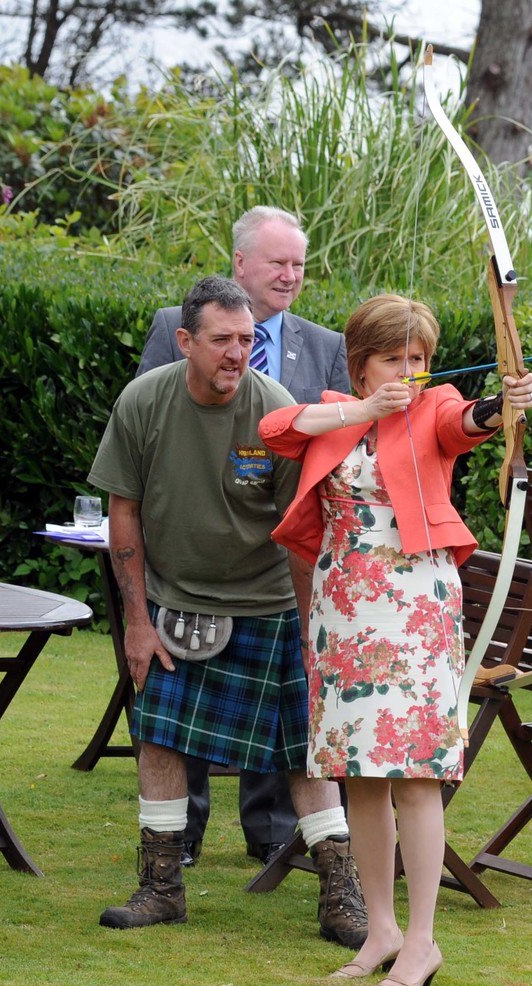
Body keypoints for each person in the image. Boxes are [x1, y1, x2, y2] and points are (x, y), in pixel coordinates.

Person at [260, 293, 532, 986]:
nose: (410, 373)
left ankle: (422, 940)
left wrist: (507, 401)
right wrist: (363, 411)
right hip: (344, 609)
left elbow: (466, 419)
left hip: (414, 610)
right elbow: (273, 427)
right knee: (361, 772)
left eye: (418, 359)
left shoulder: (433, 405)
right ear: (361, 367)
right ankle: (380, 927)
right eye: (395, 359)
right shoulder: (336, 414)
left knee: (415, 775)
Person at [90, 276, 368, 947]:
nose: (237, 352)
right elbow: (121, 512)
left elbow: (304, 530)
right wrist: (135, 618)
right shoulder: (145, 402)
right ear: (185, 341)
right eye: (222, 339)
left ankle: (340, 893)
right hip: (176, 599)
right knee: (158, 735)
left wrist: (312, 633)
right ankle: (161, 886)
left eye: (247, 339)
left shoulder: (273, 409)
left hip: (267, 601)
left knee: (305, 753)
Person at [136, 206, 349, 866]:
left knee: (286, 722)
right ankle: (179, 844)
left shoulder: (324, 345)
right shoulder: (170, 328)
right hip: (187, 569)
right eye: (278, 262)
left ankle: (277, 833)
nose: (290, 275)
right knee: (175, 725)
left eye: (299, 265)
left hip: (275, 570)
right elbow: (147, 426)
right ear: (240, 263)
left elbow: (336, 454)